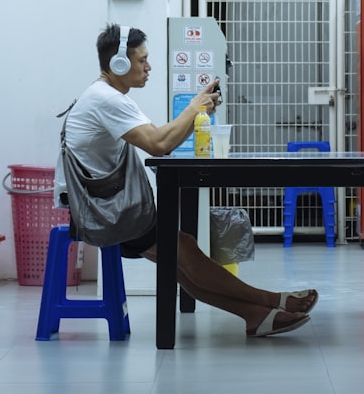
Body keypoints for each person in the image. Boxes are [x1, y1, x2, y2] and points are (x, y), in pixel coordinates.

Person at [60, 23, 317, 338]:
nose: (148, 67)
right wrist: (194, 109)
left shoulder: (106, 96)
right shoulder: (107, 99)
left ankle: (255, 315)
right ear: (119, 64)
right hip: (104, 213)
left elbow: (160, 137)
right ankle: (274, 300)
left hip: (101, 205)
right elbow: (158, 144)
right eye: (142, 60)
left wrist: (197, 111)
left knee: (182, 258)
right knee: (183, 250)